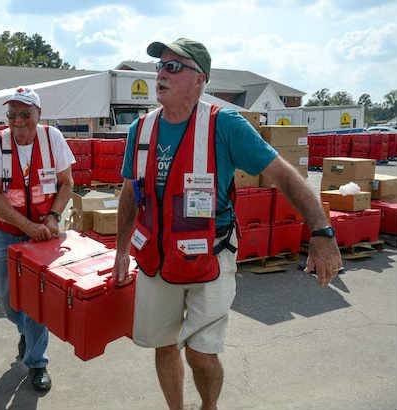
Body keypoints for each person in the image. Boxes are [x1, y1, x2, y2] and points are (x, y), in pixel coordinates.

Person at [112, 38, 343, 410]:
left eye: (173, 67)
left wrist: (321, 232)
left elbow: (285, 176)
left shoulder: (225, 126)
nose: (161, 74)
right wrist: (121, 250)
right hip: (155, 258)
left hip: (211, 257)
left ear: (200, 79)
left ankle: (209, 407)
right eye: (159, 67)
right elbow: (128, 194)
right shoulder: (141, 130)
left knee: (201, 354)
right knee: (164, 344)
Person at [0, 87, 75, 392]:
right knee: (6, 298)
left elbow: (67, 183)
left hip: (44, 236)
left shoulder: (52, 139)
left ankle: (37, 362)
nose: (17, 122)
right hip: (6, 234)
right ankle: (26, 332)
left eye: (24, 115)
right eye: (11, 115)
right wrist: (26, 226)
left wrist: (54, 217)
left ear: (38, 115)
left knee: (37, 302)